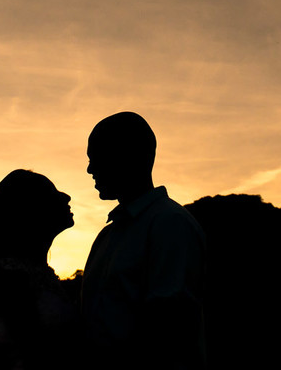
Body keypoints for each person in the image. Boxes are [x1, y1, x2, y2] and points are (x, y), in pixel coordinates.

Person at [82, 112, 206, 370]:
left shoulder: (170, 223)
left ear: (128, 156)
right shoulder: (107, 236)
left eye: (96, 157)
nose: (90, 169)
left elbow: (170, 325)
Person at [0, 169, 80, 369]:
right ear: (29, 210)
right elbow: (33, 353)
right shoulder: (12, 277)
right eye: (51, 192)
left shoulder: (37, 272)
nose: (66, 196)